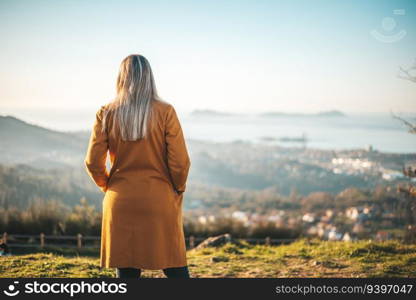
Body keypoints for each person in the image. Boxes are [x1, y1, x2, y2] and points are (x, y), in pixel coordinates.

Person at [84, 54, 191, 278]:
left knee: (126, 273)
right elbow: (180, 162)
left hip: (120, 199)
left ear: (121, 78)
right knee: (175, 268)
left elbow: (93, 163)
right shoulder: (165, 111)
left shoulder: (106, 112)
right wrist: (177, 188)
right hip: (159, 199)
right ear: (149, 77)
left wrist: (109, 187)